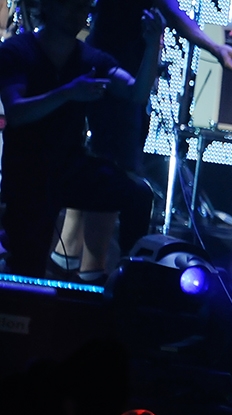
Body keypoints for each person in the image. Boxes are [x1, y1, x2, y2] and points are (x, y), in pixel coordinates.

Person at [50, 0, 232, 282]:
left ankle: (65, 265)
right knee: (111, 172)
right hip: (117, 72)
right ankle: (90, 275)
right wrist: (216, 48)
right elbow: (172, 11)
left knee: (96, 170)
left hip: (115, 66)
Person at [0, 0, 161, 277]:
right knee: (27, 270)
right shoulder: (17, 51)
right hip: (27, 174)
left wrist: (152, 45)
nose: (79, 14)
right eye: (71, 5)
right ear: (49, 6)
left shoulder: (90, 58)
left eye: (84, 7)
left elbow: (135, 93)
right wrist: (68, 92)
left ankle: (132, 278)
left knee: (138, 194)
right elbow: (16, 112)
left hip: (68, 167)